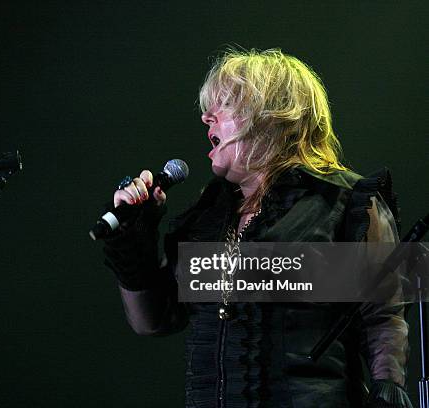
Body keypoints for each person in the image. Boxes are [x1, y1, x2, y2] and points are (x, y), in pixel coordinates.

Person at [102, 48, 412, 407]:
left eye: (224, 106)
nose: (206, 118)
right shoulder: (208, 216)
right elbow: (153, 322)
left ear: (271, 115)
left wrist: (388, 385)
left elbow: (384, 313)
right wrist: (134, 243)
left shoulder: (342, 202)